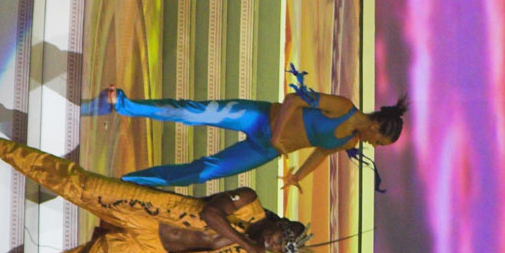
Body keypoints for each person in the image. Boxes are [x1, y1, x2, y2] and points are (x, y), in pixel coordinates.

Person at [0, 133, 309, 253]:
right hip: (147, 209)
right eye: (280, 239)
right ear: (278, 224)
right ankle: (0, 146)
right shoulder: (248, 201)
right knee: (78, 184)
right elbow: (210, 213)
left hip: (145, 247)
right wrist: (245, 241)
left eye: (280, 250)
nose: (274, 246)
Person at [100, 84, 406, 189]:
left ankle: (129, 182)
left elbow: (322, 151)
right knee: (193, 113)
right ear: (375, 127)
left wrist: (297, 176)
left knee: (202, 172)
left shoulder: (350, 140)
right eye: (379, 142)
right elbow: (293, 99)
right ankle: (126, 104)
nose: (375, 146)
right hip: (259, 118)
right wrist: (278, 134)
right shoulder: (343, 107)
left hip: (265, 149)